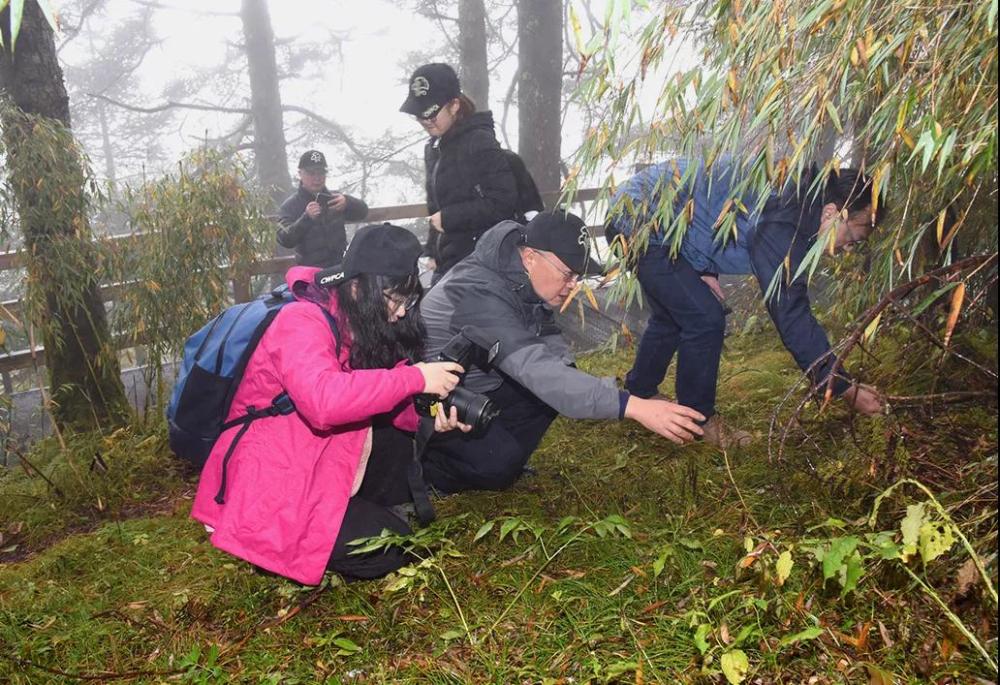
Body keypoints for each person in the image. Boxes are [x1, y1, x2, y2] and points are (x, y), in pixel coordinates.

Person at [191, 223, 471, 585]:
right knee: (393, 551)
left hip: (317, 459)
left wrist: (431, 416)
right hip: (274, 481)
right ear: (356, 287)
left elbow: (383, 397)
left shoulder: (357, 324)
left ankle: (367, 514)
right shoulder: (300, 321)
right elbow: (324, 402)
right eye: (394, 299)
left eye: (408, 301)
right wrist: (415, 377)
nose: (402, 312)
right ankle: (272, 546)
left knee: (398, 538)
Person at [418, 211, 705, 494]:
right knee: (500, 462)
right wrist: (634, 406)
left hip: (484, 382)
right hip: (432, 402)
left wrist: (599, 390)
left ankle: (497, 458)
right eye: (568, 274)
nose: (573, 286)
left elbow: (553, 353)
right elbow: (538, 370)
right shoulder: (479, 293)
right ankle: (432, 472)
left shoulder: (521, 279)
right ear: (530, 257)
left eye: (578, 277)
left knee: (549, 396)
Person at [605, 158, 886, 448]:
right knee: (704, 317)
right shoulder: (785, 219)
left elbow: (711, 204)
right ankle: (697, 421)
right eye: (853, 238)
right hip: (638, 221)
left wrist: (703, 268)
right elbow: (791, 312)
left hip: (645, 217)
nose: (848, 249)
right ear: (832, 212)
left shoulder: (796, 201)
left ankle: (640, 391)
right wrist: (841, 386)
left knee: (675, 314)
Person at [399, 63, 519, 282]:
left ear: (454, 105)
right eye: (419, 115)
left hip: (483, 262)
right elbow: (436, 207)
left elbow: (503, 202)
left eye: (431, 114)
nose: (425, 121)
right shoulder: (433, 148)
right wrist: (433, 251)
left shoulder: (479, 141)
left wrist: (450, 218)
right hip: (449, 261)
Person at [277, 149, 369, 267]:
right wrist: (306, 218)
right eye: (311, 173)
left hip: (340, 266)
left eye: (321, 173)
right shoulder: (291, 205)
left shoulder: (336, 198)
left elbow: (363, 212)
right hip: (309, 269)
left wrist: (348, 202)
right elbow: (284, 239)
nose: (317, 178)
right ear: (300, 174)